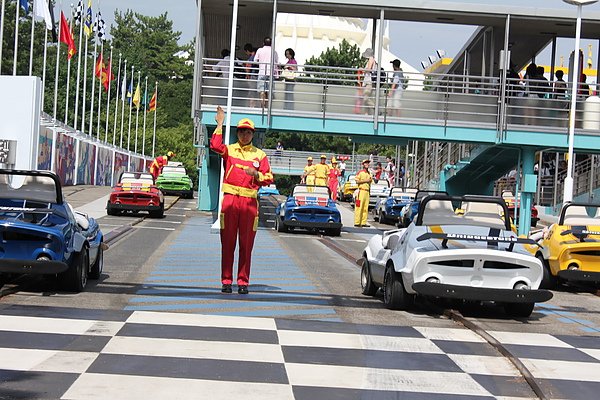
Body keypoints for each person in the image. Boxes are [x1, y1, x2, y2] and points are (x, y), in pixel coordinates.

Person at [210, 106, 274, 295]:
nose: (244, 135)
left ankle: (243, 282)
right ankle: (227, 281)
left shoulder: (260, 155)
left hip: (249, 203)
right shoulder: (229, 150)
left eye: (248, 132)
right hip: (230, 201)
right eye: (241, 131)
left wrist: (257, 174)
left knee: (246, 245)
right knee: (227, 243)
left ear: (252, 134)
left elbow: (269, 177)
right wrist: (220, 124)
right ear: (237, 133)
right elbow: (215, 146)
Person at [254, 36, 279, 109]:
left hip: (262, 72)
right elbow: (276, 62)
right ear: (271, 44)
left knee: (262, 90)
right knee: (269, 91)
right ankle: (267, 107)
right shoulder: (274, 51)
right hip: (271, 73)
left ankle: (262, 106)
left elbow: (255, 60)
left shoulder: (260, 50)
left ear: (263, 43)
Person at [354, 159, 372, 227]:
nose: (367, 164)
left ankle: (363, 222)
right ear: (363, 164)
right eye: (366, 163)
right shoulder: (360, 172)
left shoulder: (369, 173)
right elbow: (357, 181)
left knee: (365, 207)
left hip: (367, 191)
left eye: (368, 163)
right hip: (361, 191)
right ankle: (357, 222)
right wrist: (366, 180)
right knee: (359, 207)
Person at [360, 48, 376, 114]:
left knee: (365, 98)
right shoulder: (372, 60)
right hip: (368, 81)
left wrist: (362, 69)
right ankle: (366, 114)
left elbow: (369, 69)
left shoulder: (371, 59)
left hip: (369, 82)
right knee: (366, 98)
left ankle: (375, 108)